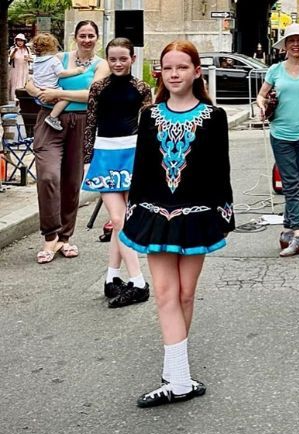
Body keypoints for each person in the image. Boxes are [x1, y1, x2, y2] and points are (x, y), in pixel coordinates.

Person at [120, 40, 235, 408]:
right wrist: (133, 210)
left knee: (186, 294)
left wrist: (224, 212)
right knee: (166, 295)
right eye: (167, 68)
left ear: (196, 72)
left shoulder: (214, 117)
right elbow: (142, 170)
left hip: (198, 215)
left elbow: (220, 169)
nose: (174, 74)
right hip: (155, 214)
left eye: (182, 67)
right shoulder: (149, 116)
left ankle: (175, 373)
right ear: (160, 73)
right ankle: (180, 379)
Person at [26, 20, 111, 264]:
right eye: (82, 35)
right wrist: (37, 92)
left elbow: (93, 95)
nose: (86, 39)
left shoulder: (100, 65)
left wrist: (58, 94)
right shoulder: (58, 58)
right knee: (48, 176)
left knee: (72, 181)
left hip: (81, 123)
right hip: (49, 121)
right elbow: (31, 81)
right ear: (75, 37)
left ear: (96, 38)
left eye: (91, 35)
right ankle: (50, 235)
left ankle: (65, 237)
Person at [82, 37, 152, 307]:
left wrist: (149, 161)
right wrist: (88, 160)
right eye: (113, 59)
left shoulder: (142, 88)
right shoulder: (98, 88)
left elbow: (147, 127)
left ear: (133, 59)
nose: (118, 63)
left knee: (121, 221)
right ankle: (138, 281)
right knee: (118, 218)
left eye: (123, 58)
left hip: (133, 155)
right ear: (107, 60)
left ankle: (112, 277)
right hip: (103, 156)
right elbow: (90, 125)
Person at [255, 24, 299, 256]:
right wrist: (261, 105)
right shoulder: (275, 70)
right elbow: (261, 95)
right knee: (291, 184)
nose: (296, 44)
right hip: (280, 134)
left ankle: (287, 228)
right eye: (291, 40)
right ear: (284, 45)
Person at [30, 33, 89, 131]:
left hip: (39, 89)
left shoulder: (36, 60)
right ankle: (53, 117)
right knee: (66, 97)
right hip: (51, 88)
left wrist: (38, 93)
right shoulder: (54, 60)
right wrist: (77, 71)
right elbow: (61, 73)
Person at [8, 33, 32, 102]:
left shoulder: (27, 49)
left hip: (24, 68)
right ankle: (14, 97)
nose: (20, 42)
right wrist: (15, 51)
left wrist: (28, 59)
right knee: (15, 82)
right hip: (15, 68)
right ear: (16, 41)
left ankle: (21, 97)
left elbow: (31, 59)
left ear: (24, 41)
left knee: (23, 81)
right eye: (18, 40)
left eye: (21, 40)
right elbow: (10, 58)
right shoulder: (13, 48)